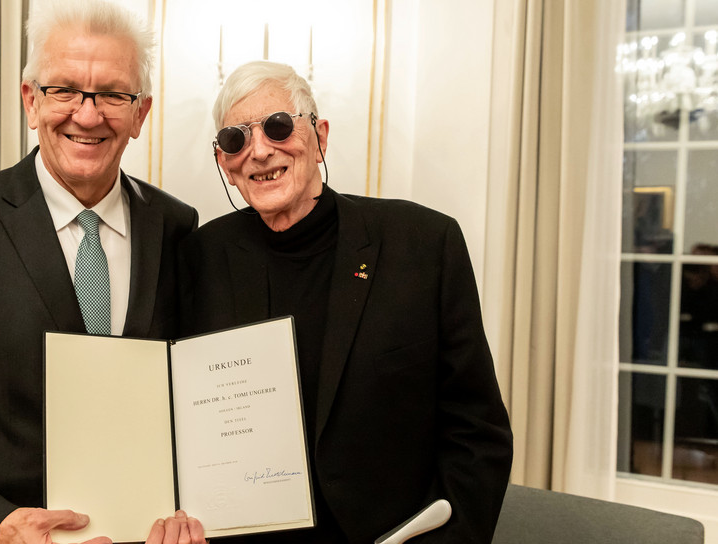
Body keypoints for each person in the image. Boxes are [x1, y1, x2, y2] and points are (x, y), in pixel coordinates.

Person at [0, 1, 203, 543]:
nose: (88, 114)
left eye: (113, 94)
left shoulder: (177, 227)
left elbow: (187, 400)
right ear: (31, 100)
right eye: (65, 89)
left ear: (140, 113)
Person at [179, 60, 513, 543]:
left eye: (277, 126)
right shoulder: (199, 257)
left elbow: (477, 432)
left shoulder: (423, 243)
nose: (259, 151)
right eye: (235, 139)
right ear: (224, 163)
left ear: (320, 136)